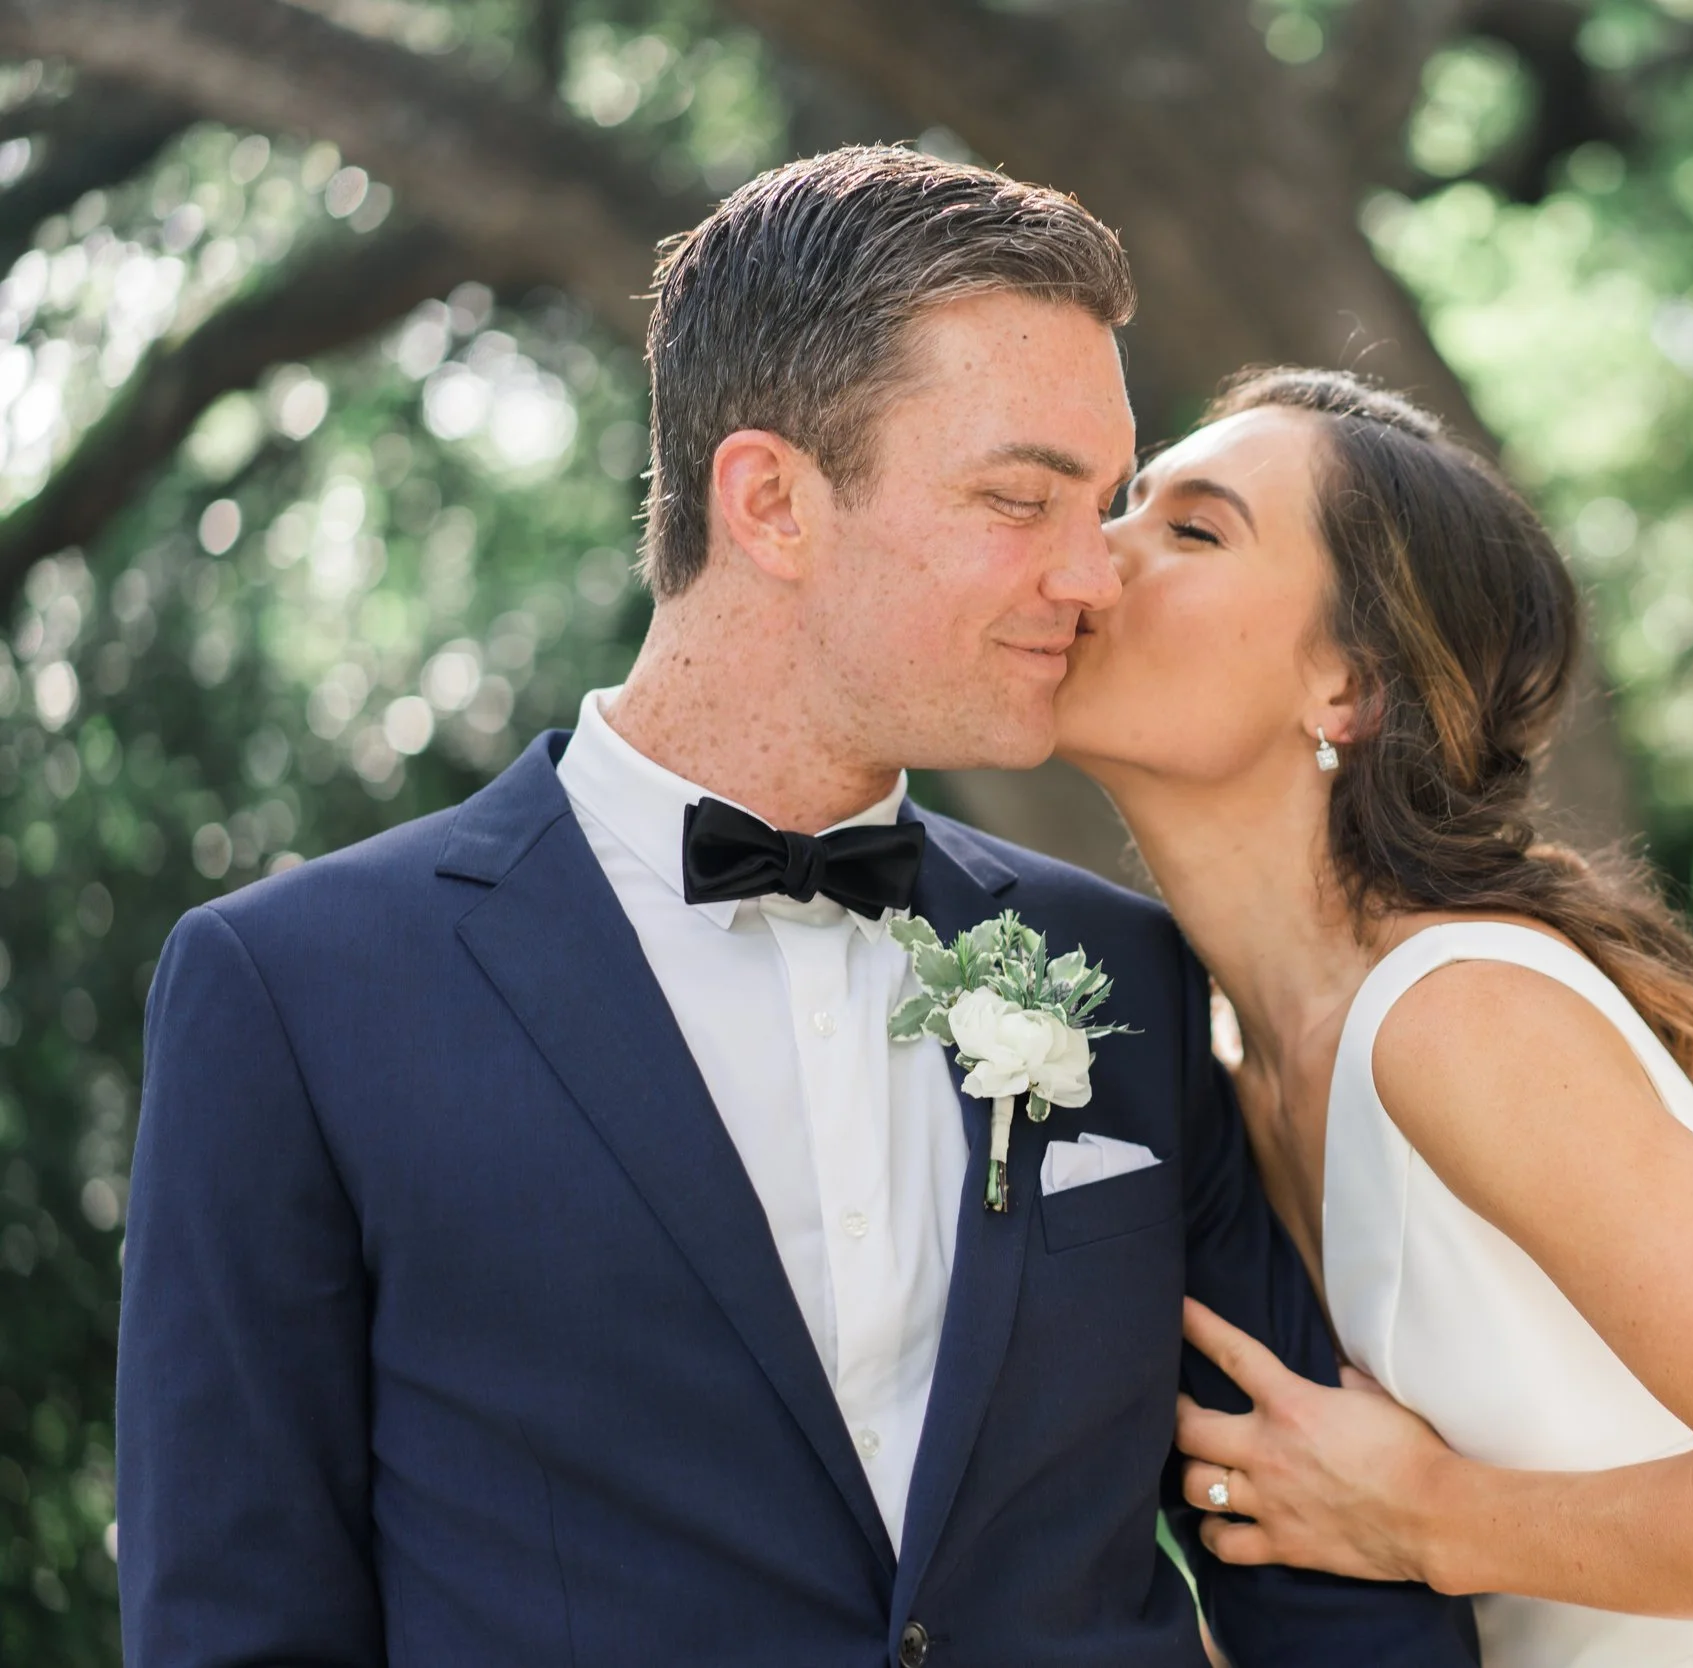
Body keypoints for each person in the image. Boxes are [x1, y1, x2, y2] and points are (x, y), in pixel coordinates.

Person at [116, 152, 1479, 1668]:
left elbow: (1315, 1561)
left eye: (1104, 507)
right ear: (769, 499)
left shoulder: (1130, 976)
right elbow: (240, 1622)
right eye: (1021, 501)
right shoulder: (297, 994)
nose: (1095, 576)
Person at [1054, 367, 1693, 1666]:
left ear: (1347, 688)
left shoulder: (1460, 1016)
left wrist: (1431, 1517)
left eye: (1191, 530)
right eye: (1126, 508)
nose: (1093, 554)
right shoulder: (1224, 1064)